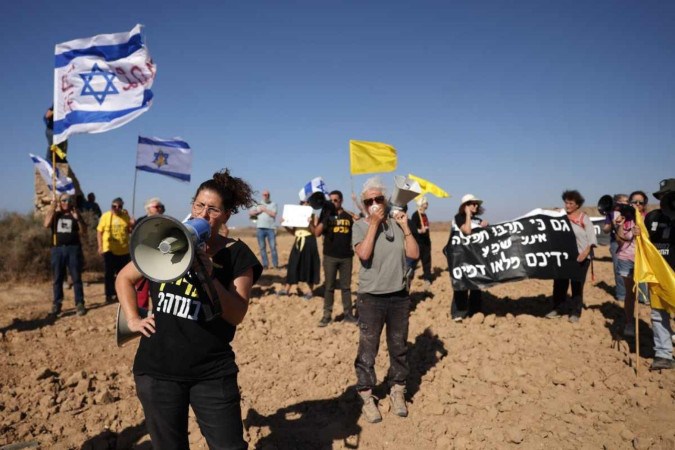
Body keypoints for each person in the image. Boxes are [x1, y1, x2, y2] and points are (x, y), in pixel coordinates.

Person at [115, 168, 263, 448]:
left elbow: (237, 313)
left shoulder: (238, 255)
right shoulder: (167, 241)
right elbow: (124, 278)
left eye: (213, 209)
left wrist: (209, 275)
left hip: (211, 373)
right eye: (199, 205)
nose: (203, 214)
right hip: (157, 371)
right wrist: (133, 319)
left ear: (227, 214)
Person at [352, 177, 419, 423]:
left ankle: (397, 389)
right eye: (368, 201)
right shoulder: (359, 226)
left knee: (398, 346)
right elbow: (364, 254)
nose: (374, 204)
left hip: (399, 296)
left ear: (386, 200)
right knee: (368, 350)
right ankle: (367, 395)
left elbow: (413, 254)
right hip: (371, 298)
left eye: (378, 199)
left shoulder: (397, 223)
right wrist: (373, 224)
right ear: (364, 204)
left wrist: (406, 227)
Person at [547, 190, 597, 323]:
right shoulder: (560, 216)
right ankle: (557, 308)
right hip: (563, 257)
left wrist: (584, 253)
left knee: (577, 285)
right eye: (566, 202)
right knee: (559, 283)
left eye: (571, 203)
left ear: (577, 205)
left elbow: (592, 240)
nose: (567, 205)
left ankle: (575, 312)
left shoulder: (583, 218)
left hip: (581, 257)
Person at [644, 178, 675, 370]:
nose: (665, 200)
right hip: (658, 275)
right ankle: (663, 354)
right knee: (658, 314)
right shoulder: (653, 217)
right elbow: (644, 241)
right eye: (663, 196)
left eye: (669, 196)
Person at [314, 190, 357, 326]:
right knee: (329, 287)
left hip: (346, 257)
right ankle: (327, 316)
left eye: (335, 200)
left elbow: (359, 228)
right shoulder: (325, 214)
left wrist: (357, 217)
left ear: (341, 201)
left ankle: (348, 315)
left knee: (346, 287)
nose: (333, 202)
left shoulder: (348, 215)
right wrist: (325, 217)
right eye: (331, 200)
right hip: (330, 257)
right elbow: (317, 233)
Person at [44, 193, 86, 317]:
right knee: (57, 278)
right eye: (63, 200)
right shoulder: (56, 216)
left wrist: (77, 218)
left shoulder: (75, 215)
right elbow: (46, 224)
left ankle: (79, 303)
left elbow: (84, 232)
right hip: (57, 249)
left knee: (76, 278)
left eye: (68, 200)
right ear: (59, 202)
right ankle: (57, 303)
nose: (66, 203)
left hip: (73, 249)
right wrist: (52, 208)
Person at [614, 191, 649, 337]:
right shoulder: (624, 218)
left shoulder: (649, 218)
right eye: (634, 202)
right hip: (626, 259)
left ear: (644, 205)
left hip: (646, 261)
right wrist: (620, 226)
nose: (637, 205)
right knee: (630, 294)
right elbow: (620, 241)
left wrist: (642, 232)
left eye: (640, 202)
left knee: (653, 294)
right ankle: (629, 323)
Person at [451, 194, 488, 321]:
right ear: (465, 206)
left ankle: (475, 312)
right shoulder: (459, 217)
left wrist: (485, 226)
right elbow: (466, 231)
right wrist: (467, 215)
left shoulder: (478, 220)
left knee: (476, 284)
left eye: (477, 204)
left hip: (476, 258)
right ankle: (459, 313)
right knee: (462, 284)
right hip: (462, 258)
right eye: (472, 203)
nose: (476, 205)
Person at [278, 201, 321, 300]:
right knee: (293, 264)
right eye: (302, 203)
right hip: (298, 241)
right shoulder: (296, 216)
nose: (304, 204)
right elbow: (294, 232)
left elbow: (315, 232)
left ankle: (310, 291)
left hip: (309, 242)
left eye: (306, 203)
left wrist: (310, 223)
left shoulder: (314, 216)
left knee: (309, 265)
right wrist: (284, 224)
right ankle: (287, 289)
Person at [97, 198, 134, 303]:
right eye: (114, 206)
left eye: (119, 206)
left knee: (121, 275)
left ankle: (119, 295)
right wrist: (100, 246)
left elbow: (129, 231)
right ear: (111, 206)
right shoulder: (105, 216)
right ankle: (109, 295)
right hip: (109, 249)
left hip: (123, 250)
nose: (117, 208)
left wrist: (132, 224)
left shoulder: (125, 217)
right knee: (109, 273)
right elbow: (99, 232)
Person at [133, 197, 165, 309]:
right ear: (148, 209)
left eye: (161, 206)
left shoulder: (166, 221)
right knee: (142, 289)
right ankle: (142, 312)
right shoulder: (140, 222)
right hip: (143, 259)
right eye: (156, 206)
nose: (159, 208)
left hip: (161, 261)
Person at [601, 194, 628, 302]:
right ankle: (621, 294)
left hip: (631, 242)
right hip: (615, 243)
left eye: (627, 201)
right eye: (623, 201)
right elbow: (605, 230)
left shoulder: (631, 211)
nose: (626, 203)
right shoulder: (610, 213)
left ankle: (640, 295)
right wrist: (612, 223)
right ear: (617, 202)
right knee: (618, 269)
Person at [249, 189, 278, 269]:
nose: (266, 196)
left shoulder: (273, 204)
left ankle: (275, 265)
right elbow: (250, 213)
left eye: (267, 194)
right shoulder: (258, 204)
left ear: (269, 195)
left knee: (273, 247)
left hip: (271, 228)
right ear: (262, 195)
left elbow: (274, 214)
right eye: (264, 195)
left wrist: (265, 209)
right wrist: (259, 210)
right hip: (260, 228)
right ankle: (265, 265)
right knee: (262, 248)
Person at [410, 196, 433, 288]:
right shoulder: (415, 215)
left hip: (426, 242)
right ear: (421, 204)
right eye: (425, 203)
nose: (427, 204)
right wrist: (419, 231)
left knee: (427, 261)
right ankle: (409, 278)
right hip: (418, 243)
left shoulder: (424, 215)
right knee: (414, 262)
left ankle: (427, 278)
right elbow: (412, 228)